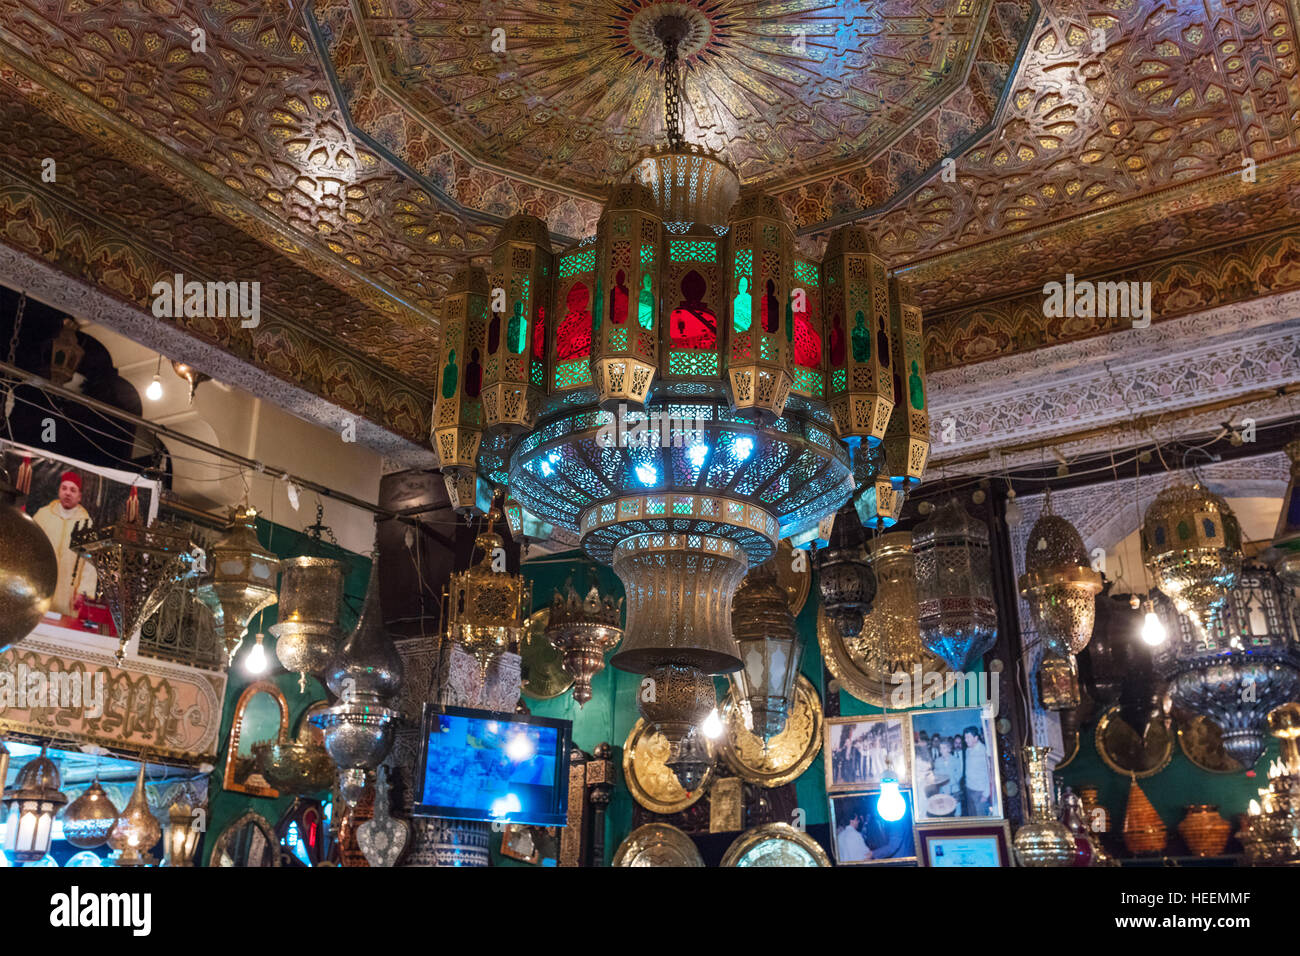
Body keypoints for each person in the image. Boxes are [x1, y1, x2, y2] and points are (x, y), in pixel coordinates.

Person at [31, 469, 97, 616]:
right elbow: (30, 548)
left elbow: (91, 562)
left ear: (79, 496)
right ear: (59, 491)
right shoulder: (43, 515)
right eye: (64, 488)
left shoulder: (86, 524)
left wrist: (83, 591)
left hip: (69, 593)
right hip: (41, 586)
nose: (67, 493)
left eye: (73, 490)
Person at [962, 725, 992, 816]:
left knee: (981, 817)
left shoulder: (984, 751)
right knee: (972, 815)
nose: (966, 740)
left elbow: (989, 774)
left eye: (968, 737)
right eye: (965, 737)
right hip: (969, 789)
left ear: (976, 738)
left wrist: (986, 794)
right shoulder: (968, 750)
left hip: (980, 792)